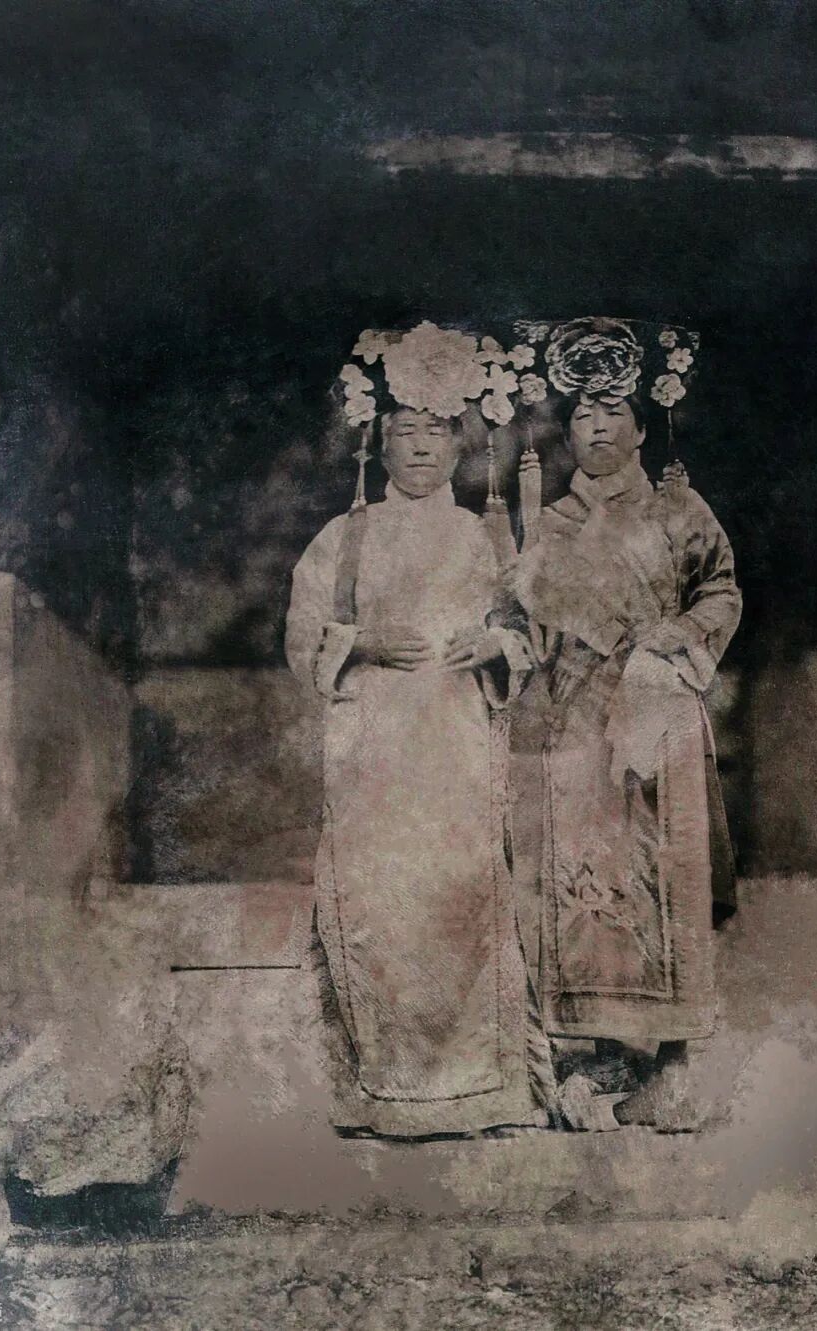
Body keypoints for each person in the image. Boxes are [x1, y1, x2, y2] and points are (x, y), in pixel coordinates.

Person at [286, 371, 555, 1136]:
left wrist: (495, 644)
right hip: (373, 754)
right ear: (379, 444)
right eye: (405, 431)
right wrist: (361, 641)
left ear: (459, 446)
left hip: (455, 749)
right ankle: (377, 1092)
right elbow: (303, 635)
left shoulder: (481, 536)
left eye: (435, 432)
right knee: (379, 907)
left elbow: (525, 630)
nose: (420, 447)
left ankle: (481, 1092)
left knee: (456, 903)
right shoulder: (345, 538)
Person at [514, 320, 741, 1095]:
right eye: (583, 414)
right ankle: (599, 1043)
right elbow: (527, 621)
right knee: (589, 875)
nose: (598, 427)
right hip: (576, 714)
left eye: (613, 411)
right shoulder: (553, 522)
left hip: (657, 704)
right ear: (567, 432)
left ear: (643, 428)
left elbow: (721, 591)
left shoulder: (681, 509)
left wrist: (672, 638)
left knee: (665, 867)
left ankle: (672, 1051)